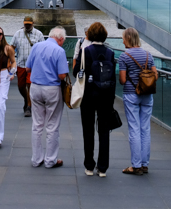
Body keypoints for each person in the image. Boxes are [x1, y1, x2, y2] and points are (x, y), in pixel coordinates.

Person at [72, 22, 116, 177]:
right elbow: (113, 78)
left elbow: (77, 72)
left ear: (89, 35)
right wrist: (111, 101)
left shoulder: (85, 51)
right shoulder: (110, 53)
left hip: (89, 95)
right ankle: (103, 168)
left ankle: (89, 166)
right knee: (104, 131)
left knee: (88, 130)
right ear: (104, 36)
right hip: (105, 96)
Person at [26, 26, 69, 168]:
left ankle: (36, 159)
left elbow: (27, 68)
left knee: (37, 125)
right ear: (61, 39)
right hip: (52, 89)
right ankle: (50, 160)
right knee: (52, 125)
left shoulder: (36, 46)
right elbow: (62, 75)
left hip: (35, 87)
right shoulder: (59, 50)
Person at [119, 27, 156, 175]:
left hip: (131, 94)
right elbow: (155, 75)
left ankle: (136, 165)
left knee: (134, 129)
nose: (122, 41)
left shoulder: (124, 56)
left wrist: (131, 78)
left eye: (123, 38)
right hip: (147, 95)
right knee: (145, 129)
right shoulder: (148, 55)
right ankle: (145, 164)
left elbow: (122, 80)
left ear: (128, 38)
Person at [11, 15, 44, 117]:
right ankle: (27, 99)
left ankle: (29, 107)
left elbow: (43, 49)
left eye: (29, 25)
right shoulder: (18, 33)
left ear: (33, 24)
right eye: (26, 24)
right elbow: (12, 47)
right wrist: (11, 60)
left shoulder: (38, 34)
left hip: (33, 66)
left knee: (29, 85)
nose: (27, 26)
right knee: (21, 86)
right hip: (21, 64)